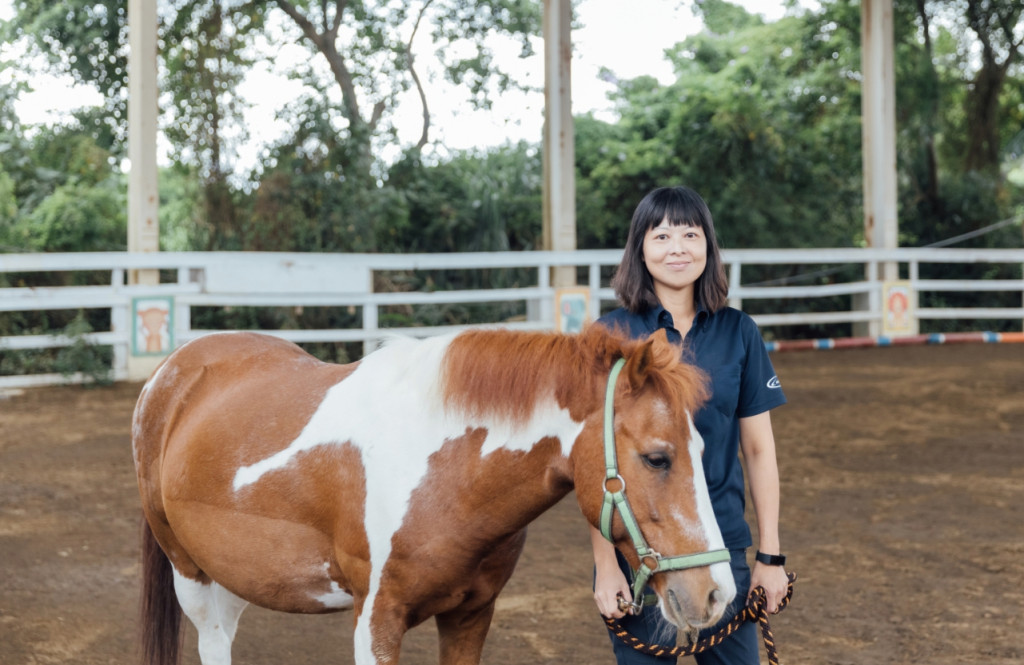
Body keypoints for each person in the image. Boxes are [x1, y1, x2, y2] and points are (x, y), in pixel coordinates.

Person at [591, 185, 789, 665]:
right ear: (640, 248)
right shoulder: (609, 337)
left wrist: (770, 557)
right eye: (661, 236)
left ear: (708, 246)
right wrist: (605, 568)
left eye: (690, 234)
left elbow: (759, 450)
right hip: (641, 553)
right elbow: (598, 462)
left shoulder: (739, 332)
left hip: (721, 541)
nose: (677, 247)